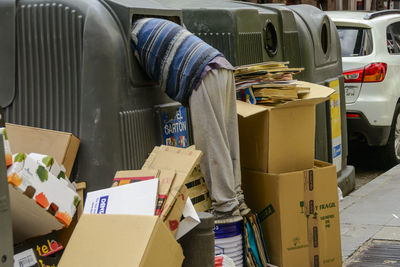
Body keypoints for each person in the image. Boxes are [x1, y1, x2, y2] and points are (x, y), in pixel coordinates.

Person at [131, 18, 249, 223]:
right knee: (228, 140)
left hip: (201, 73)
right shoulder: (151, 24)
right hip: (221, 66)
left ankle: (225, 209)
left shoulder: (133, 37)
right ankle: (237, 199)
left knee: (211, 142)